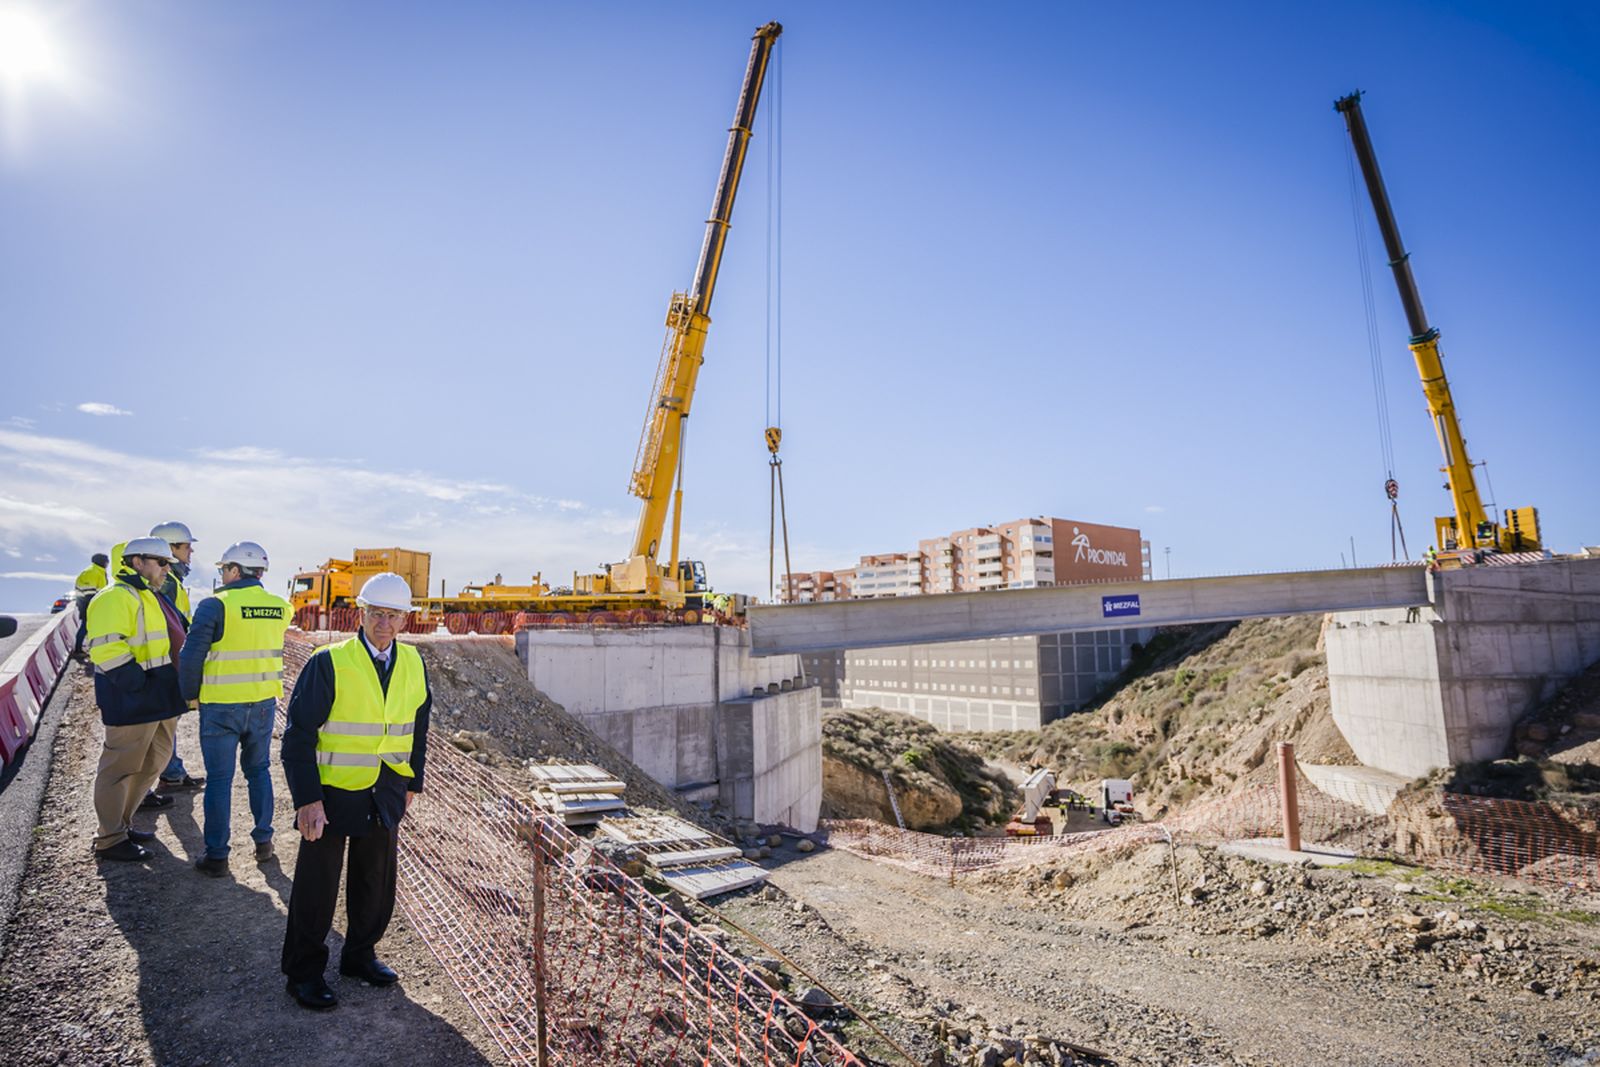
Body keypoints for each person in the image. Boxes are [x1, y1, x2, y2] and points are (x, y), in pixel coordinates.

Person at [280, 572, 431, 1010]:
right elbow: (299, 735)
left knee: (376, 880)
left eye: (393, 615)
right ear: (361, 614)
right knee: (317, 884)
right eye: (376, 613)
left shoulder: (414, 663)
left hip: (385, 787)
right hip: (333, 790)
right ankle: (304, 973)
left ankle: (360, 955)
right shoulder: (329, 661)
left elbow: (418, 728)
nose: (384, 623)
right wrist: (307, 799)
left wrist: (411, 782)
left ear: (405, 620)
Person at [179, 541, 291, 878]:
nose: (221, 575)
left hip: (221, 706)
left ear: (234, 570)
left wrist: (189, 696)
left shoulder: (215, 605)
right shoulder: (281, 607)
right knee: (259, 771)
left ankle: (217, 856)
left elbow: (190, 656)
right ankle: (264, 842)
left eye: (222, 569)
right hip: (262, 704)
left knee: (220, 780)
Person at [85, 538, 188, 862]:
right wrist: (137, 684)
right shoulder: (115, 596)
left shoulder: (150, 596)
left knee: (154, 760)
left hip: (158, 696)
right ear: (137, 561)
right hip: (132, 696)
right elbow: (105, 647)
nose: (167, 569)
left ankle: (122, 824)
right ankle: (110, 838)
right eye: (161, 562)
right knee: (120, 768)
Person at [148, 520, 205, 793]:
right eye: (186, 547)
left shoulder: (173, 581)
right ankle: (169, 773)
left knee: (166, 723)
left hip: (169, 661)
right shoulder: (167, 583)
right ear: (169, 548)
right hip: (168, 663)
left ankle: (172, 770)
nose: (190, 553)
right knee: (163, 724)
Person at [71, 552, 109, 657]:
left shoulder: (98, 571)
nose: (108, 563)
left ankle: (89, 648)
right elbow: (89, 593)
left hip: (91, 604)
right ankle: (78, 650)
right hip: (88, 604)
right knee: (86, 627)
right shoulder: (92, 572)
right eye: (106, 561)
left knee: (89, 627)